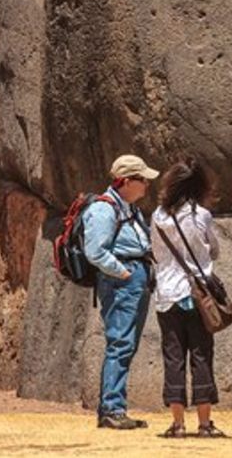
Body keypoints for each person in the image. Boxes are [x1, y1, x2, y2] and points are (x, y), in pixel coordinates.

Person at [150, 159, 226, 438]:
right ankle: (205, 424)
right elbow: (214, 250)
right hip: (198, 296)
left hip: (167, 295)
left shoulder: (158, 216)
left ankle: (177, 423)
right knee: (202, 355)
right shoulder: (201, 215)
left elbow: (156, 253)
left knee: (173, 357)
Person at [82, 154, 159, 430]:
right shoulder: (104, 210)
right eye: (142, 180)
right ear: (126, 181)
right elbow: (95, 251)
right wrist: (123, 271)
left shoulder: (129, 208)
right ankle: (112, 409)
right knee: (120, 343)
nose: (146, 185)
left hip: (134, 276)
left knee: (126, 344)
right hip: (121, 279)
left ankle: (115, 407)